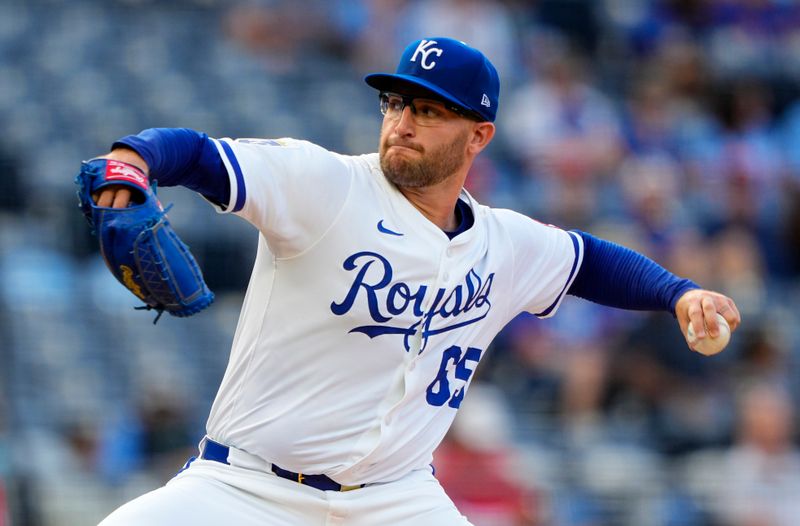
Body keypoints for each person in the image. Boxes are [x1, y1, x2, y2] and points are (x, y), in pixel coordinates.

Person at [89, 37, 740, 526]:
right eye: (396, 101)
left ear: (478, 135)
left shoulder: (503, 243)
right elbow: (200, 155)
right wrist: (134, 157)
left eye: (429, 111)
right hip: (246, 490)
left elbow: (589, 260)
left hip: (396, 501)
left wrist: (679, 292)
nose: (402, 121)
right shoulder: (326, 185)